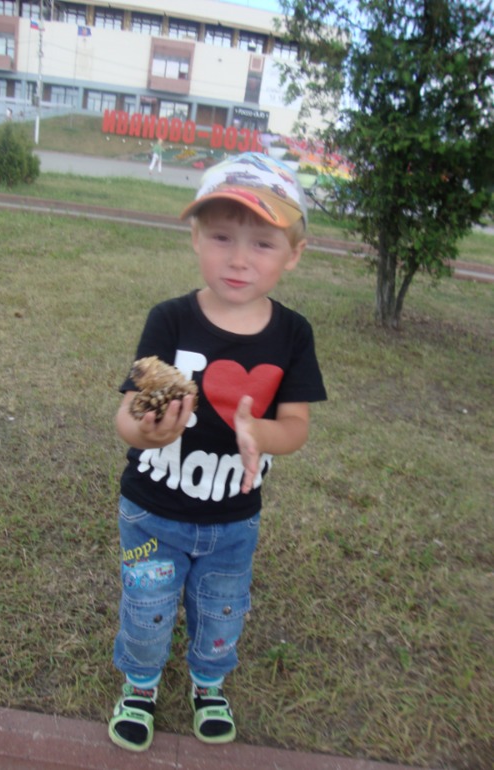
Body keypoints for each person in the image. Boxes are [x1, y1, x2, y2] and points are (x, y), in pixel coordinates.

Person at [109, 152, 327, 752]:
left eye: (263, 243)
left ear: (294, 254)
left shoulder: (293, 334)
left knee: (222, 609)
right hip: (152, 510)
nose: (238, 258)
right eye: (222, 236)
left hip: (234, 518)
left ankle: (209, 684)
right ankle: (140, 685)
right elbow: (127, 412)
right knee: (148, 603)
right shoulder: (170, 320)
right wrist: (146, 432)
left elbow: (297, 427)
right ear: (195, 239)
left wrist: (260, 434)